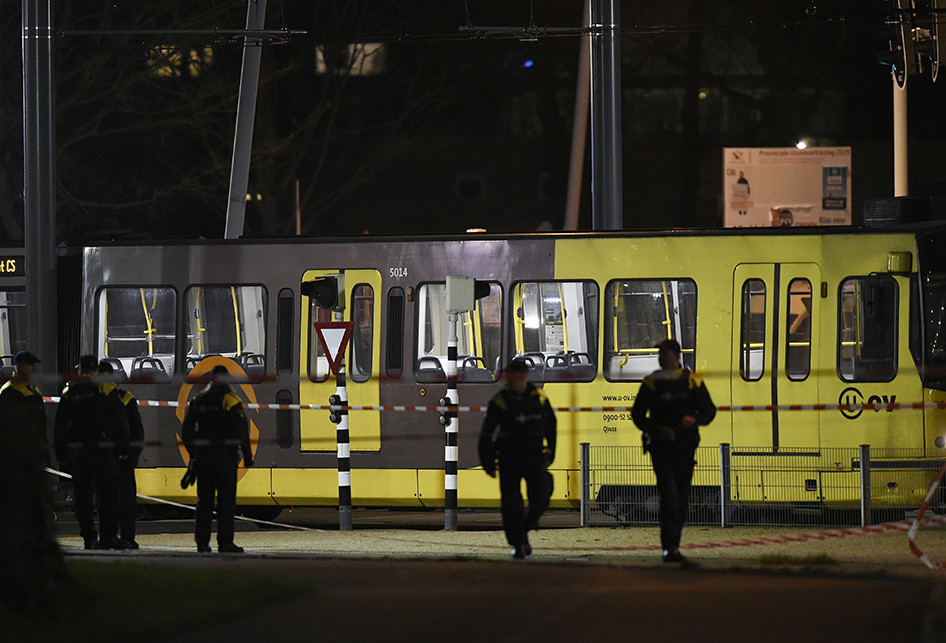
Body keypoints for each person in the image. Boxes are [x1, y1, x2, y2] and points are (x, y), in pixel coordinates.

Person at [631, 339, 716, 563]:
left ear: (676, 357)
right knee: (669, 496)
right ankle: (669, 548)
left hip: (685, 447)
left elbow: (709, 411)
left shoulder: (692, 381)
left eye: (664, 354)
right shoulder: (651, 382)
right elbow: (638, 416)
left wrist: (693, 419)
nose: (660, 358)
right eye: (659, 354)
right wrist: (658, 430)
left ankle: (673, 546)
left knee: (681, 497)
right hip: (661, 447)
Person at [478, 358, 556, 559]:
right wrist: (487, 461)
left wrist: (551, 450)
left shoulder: (538, 397)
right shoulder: (500, 401)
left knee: (542, 494)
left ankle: (524, 530)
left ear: (523, 375)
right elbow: (486, 434)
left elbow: (551, 425)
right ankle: (517, 543)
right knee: (511, 505)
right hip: (508, 459)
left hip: (534, 458)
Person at [54, 354, 131, 550]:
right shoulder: (106, 388)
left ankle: (89, 537)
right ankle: (108, 537)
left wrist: (61, 454)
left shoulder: (70, 392)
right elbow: (120, 419)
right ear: (96, 370)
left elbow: (60, 426)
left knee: (83, 498)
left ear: (79, 370)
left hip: (80, 453)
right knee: (108, 496)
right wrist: (123, 448)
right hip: (104, 452)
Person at [180, 365, 253, 554]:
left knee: (204, 502)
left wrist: (194, 452)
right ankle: (225, 542)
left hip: (203, 459)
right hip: (224, 459)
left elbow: (186, 431)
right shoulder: (230, 400)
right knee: (226, 502)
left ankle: (202, 543)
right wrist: (248, 456)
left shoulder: (198, 400)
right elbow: (241, 431)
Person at [98, 360, 144, 549]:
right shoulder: (125, 398)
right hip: (121, 458)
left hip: (105, 457)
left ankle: (108, 537)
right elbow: (137, 431)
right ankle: (127, 537)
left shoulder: (94, 399)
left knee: (105, 500)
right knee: (125, 500)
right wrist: (132, 456)